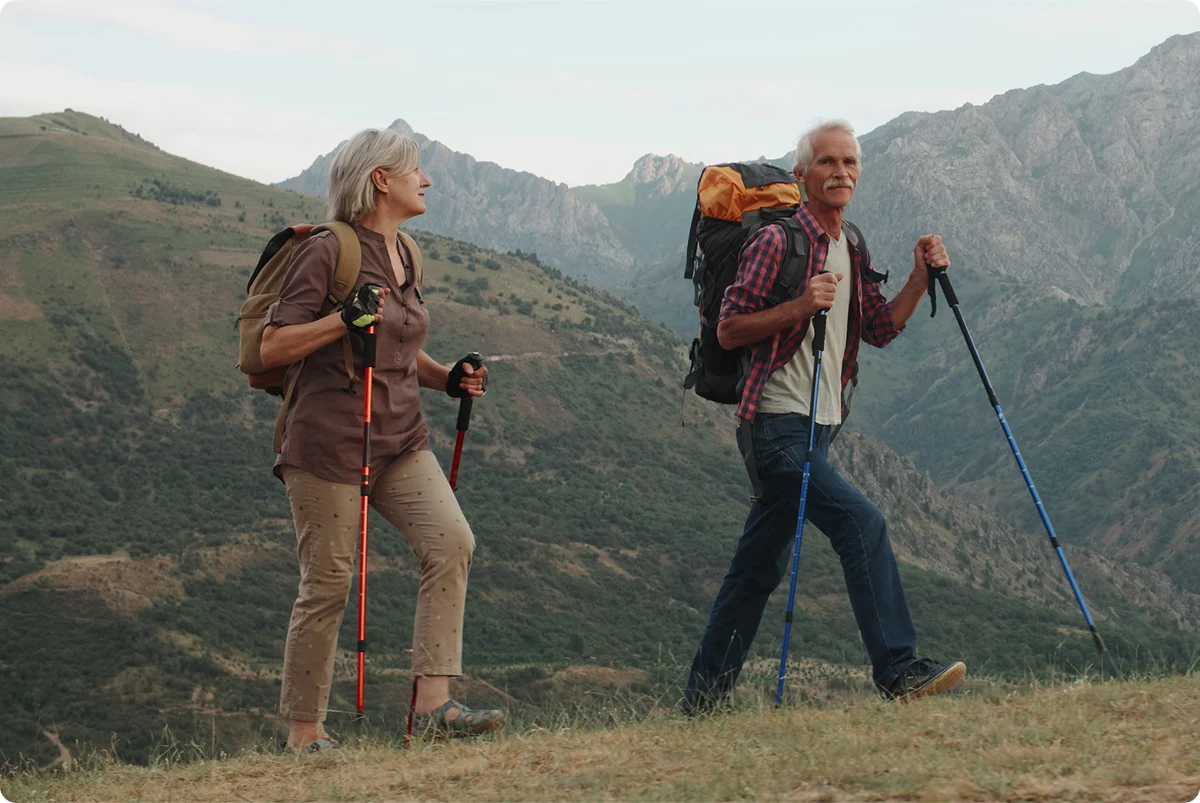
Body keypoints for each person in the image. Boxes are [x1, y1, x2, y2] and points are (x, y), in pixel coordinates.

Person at [683, 119, 966, 712]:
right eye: (828, 163)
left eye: (850, 163)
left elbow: (881, 327)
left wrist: (919, 275)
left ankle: (700, 705)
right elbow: (730, 328)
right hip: (776, 428)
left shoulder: (851, 244)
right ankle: (899, 670)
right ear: (802, 175)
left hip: (819, 430)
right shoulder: (776, 243)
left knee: (754, 573)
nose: (841, 172)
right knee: (862, 524)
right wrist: (800, 305)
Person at [260, 128, 504, 752]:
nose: (426, 180)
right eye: (416, 171)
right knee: (329, 583)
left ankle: (433, 705)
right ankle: (304, 736)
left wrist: (447, 377)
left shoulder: (408, 254)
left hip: (398, 435)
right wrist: (343, 318)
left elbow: (398, 349)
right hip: (328, 443)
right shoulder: (328, 251)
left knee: (451, 541)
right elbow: (274, 345)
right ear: (380, 180)